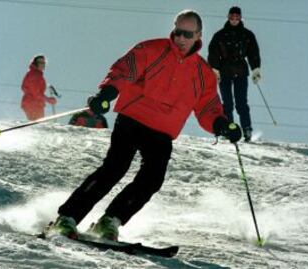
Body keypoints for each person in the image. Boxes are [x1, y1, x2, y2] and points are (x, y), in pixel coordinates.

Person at [50, 10, 242, 241]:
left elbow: (208, 107)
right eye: (178, 32)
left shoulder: (203, 73)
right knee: (115, 167)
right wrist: (107, 93)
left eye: (187, 34)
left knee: (152, 179)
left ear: (199, 35)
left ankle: (110, 221)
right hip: (133, 118)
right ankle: (68, 217)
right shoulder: (152, 49)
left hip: (162, 131)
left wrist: (222, 125)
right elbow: (124, 71)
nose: (181, 39)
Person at [208, 6, 261, 142]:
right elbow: (213, 53)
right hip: (224, 71)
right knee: (227, 103)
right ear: (228, 17)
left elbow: (253, 53)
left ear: (240, 18)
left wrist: (255, 69)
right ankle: (229, 129)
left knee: (241, 102)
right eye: (232, 17)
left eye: (237, 17)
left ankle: (247, 129)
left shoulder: (247, 35)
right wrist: (214, 69)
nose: (234, 20)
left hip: (241, 72)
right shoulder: (220, 35)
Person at [21, 55, 57, 120]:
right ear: (35, 63)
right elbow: (36, 92)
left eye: (44, 63)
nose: (42, 64)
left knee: (38, 124)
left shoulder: (36, 74)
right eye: (40, 62)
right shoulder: (34, 74)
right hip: (32, 103)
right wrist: (48, 99)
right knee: (37, 124)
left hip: (35, 103)